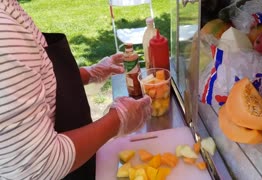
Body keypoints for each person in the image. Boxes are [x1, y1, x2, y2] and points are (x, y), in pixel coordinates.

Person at [0, 0, 152, 180]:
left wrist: (90, 73)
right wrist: (118, 120)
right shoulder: (3, 30)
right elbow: (37, 164)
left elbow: (36, 77)